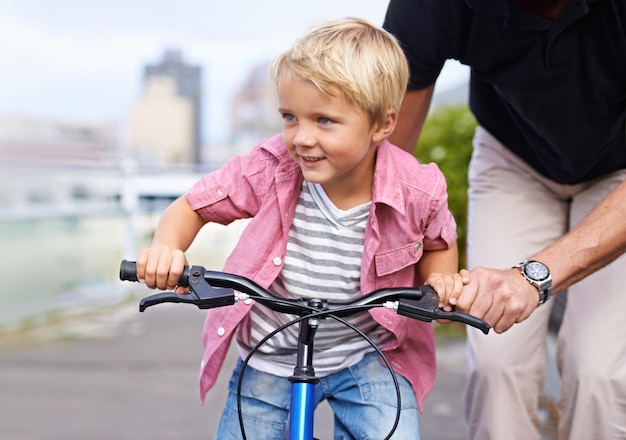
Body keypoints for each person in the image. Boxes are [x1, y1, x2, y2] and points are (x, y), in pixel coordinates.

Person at [136, 18, 466, 439]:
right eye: (290, 117)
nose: (301, 138)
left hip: (365, 352)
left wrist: (440, 282)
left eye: (324, 120)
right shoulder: (271, 166)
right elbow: (192, 206)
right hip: (271, 353)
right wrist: (167, 248)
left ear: (382, 125)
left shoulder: (417, 188)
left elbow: (439, 240)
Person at [383, 1, 626, 439]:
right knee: (497, 363)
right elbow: (390, 167)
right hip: (513, 156)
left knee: (601, 376)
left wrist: (530, 278)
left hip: (620, 169)